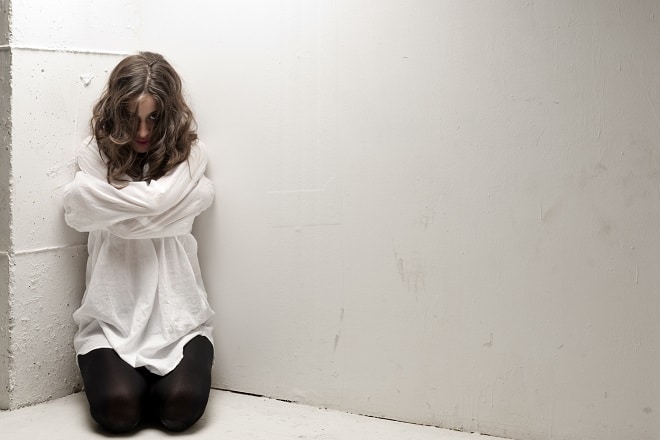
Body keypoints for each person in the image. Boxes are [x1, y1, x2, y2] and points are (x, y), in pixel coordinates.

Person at [62, 51, 215, 433]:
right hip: (111, 317)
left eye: (153, 119)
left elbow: (117, 210)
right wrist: (164, 208)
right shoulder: (93, 153)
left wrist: (112, 208)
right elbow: (79, 208)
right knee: (118, 413)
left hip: (179, 317)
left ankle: (157, 379)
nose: (143, 132)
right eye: (132, 118)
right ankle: (132, 379)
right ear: (116, 111)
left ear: (169, 116)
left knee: (180, 412)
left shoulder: (190, 153)